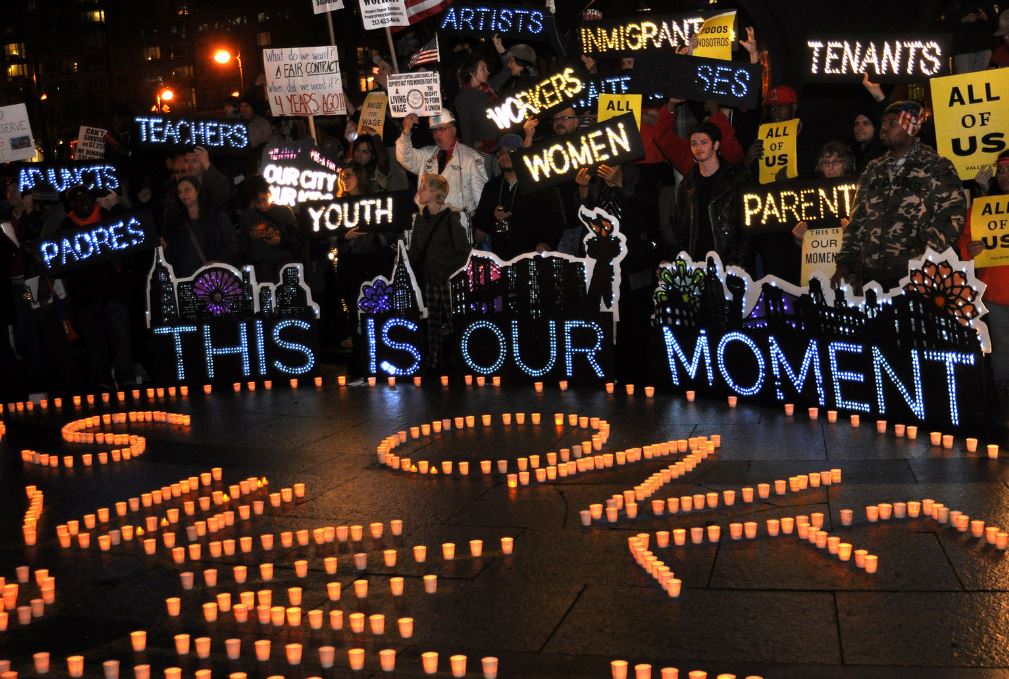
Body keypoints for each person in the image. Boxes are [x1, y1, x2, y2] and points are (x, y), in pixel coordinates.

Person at [832, 101, 966, 292]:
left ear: (912, 127)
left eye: (892, 122)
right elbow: (857, 221)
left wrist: (920, 252)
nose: (884, 128)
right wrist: (844, 263)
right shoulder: (873, 169)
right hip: (871, 278)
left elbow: (953, 216)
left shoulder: (936, 166)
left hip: (917, 277)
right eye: (883, 122)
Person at [54, 185, 135, 389]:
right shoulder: (64, 230)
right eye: (77, 200)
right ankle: (103, 379)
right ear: (70, 205)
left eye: (86, 199)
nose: (82, 203)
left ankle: (126, 378)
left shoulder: (110, 219)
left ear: (94, 201)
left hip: (113, 291)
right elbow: (57, 266)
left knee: (122, 337)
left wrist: (115, 207)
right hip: (85, 297)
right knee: (94, 341)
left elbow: (132, 236)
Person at [960, 151, 1009, 412]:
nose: (1004, 176)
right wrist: (971, 247)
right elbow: (964, 244)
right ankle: (1005, 404)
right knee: (1001, 350)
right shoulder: (982, 208)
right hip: (997, 294)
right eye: (1000, 170)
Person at [407, 174, 471, 371]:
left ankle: (460, 360)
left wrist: (454, 273)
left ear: (435, 193)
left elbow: (464, 250)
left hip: (448, 279)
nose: (419, 192)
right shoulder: (420, 220)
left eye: (424, 188)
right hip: (429, 278)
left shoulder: (450, 218)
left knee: (454, 321)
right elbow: (416, 251)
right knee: (432, 323)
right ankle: (434, 361)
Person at [396, 110, 488, 241]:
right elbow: (404, 158)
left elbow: (481, 196)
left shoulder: (471, 157)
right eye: (434, 130)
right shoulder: (427, 154)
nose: (437, 134)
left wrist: (482, 226)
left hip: (457, 224)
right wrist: (406, 132)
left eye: (442, 129)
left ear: (454, 130)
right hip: (426, 221)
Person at [670, 122, 750, 269]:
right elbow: (680, 227)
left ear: (716, 145)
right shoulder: (687, 185)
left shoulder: (736, 179)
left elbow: (747, 226)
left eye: (704, 142)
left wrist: (737, 263)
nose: (698, 147)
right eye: (693, 143)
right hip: (697, 262)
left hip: (729, 262)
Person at [473, 134, 563, 260]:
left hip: (533, 255)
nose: (505, 156)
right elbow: (481, 227)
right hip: (502, 257)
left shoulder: (538, 183)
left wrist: (548, 243)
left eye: (511, 152)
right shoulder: (491, 187)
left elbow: (555, 220)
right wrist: (493, 218)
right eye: (501, 153)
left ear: (522, 154)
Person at [164, 176, 238, 278]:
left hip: (213, 277)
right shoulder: (178, 223)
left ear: (197, 190)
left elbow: (233, 245)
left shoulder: (217, 217)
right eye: (180, 192)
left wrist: (218, 262)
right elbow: (174, 253)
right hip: (187, 278)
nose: (183, 195)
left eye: (187, 190)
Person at [791, 141, 856, 243]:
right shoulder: (810, 194)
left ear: (845, 164)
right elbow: (804, 234)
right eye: (826, 162)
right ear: (820, 166)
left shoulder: (856, 191)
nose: (831, 167)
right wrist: (799, 239)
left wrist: (853, 235)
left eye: (836, 162)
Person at [238, 176, 299, 283]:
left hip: (281, 264)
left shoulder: (284, 212)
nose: (262, 205)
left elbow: (297, 238)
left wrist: (281, 240)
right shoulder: (247, 216)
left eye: (264, 200)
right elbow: (243, 243)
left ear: (270, 194)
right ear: (253, 200)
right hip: (257, 267)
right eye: (258, 202)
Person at [453, 53, 499, 152]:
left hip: (502, 142)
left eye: (487, 68)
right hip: (484, 148)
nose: (487, 72)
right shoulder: (463, 98)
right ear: (472, 72)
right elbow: (466, 130)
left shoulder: (488, 88)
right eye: (483, 69)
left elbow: (507, 71)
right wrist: (470, 154)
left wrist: (500, 48)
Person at [938, 0, 997, 73]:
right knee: (965, 79)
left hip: (983, 48)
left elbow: (996, 24)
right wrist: (963, 20)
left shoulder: (985, 2)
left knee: (983, 78)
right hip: (962, 49)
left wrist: (985, 18)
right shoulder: (951, 3)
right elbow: (943, 26)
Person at [352, 128, 409, 193]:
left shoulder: (378, 171)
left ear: (373, 156)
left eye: (364, 152)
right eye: (357, 150)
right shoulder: (350, 169)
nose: (359, 155)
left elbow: (383, 160)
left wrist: (375, 136)